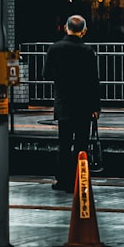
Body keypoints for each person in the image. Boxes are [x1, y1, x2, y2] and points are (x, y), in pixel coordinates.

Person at [42, 14, 102, 192]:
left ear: (65, 28)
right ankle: (78, 180)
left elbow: (47, 74)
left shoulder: (55, 48)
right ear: (84, 31)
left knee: (64, 143)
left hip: (64, 104)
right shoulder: (88, 51)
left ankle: (62, 181)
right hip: (84, 105)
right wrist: (96, 107)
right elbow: (93, 81)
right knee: (81, 145)